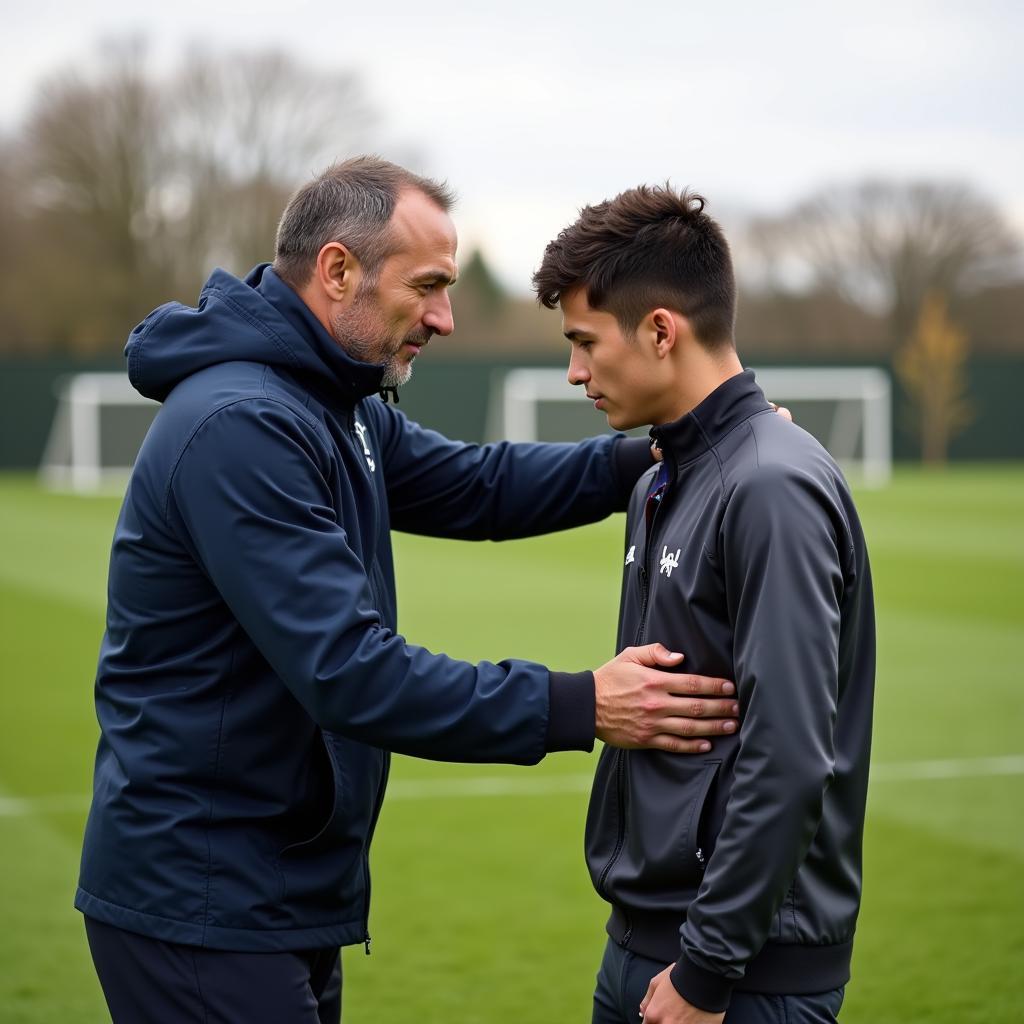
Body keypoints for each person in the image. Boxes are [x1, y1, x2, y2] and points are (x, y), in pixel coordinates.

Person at [75, 158, 743, 1023]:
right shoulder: (242, 425)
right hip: (201, 901)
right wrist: (584, 704)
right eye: (427, 286)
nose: (446, 318)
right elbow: (352, 672)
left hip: (273, 890)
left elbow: (477, 485)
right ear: (339, 270)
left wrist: (668, 446)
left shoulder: (330, 398)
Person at [532, 184, 875, 1024]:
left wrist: (708, 969)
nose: (574, 372)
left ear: (659, 330)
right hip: (647, 946)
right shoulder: (661, 477)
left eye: (584, 343)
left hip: (738, 977)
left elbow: (791, 750)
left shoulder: (771, 486)